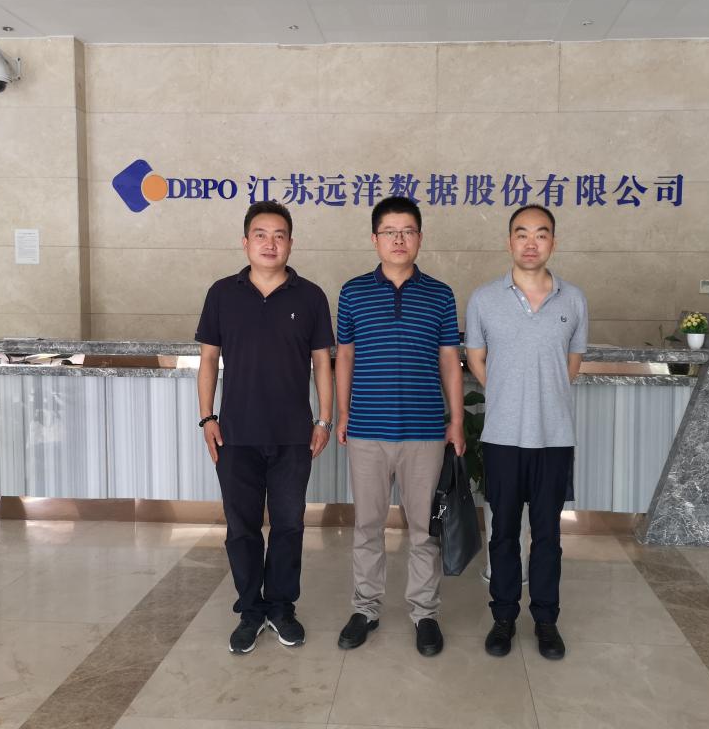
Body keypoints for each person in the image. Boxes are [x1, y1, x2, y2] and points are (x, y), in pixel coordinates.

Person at [195, 200, 334, 655]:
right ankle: (250, 610)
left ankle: (281, 607)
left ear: (291, 243)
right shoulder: (222, 293)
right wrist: (207, 417)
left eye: (279, 235)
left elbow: (322, 364)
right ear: (245, 242)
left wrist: (324, 418)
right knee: (242, 527)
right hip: (235, 435)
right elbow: (209, 360)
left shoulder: (310, 296)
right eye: (261, 234)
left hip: (294, 435)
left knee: (289, 525)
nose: (270, 243)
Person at [334, 196, 465, 656]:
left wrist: (456, 421)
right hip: (367, 430)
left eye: (407, 231)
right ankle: (365, 609)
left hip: (425, 432)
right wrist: (343, 413)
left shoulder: (441, 294)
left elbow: (449, 360)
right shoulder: (352, 292)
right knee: (367, 525)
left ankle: (424, 614)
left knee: (424, 530)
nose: (398, 239)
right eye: (389, 232)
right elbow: (344, 356)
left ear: (420, 238)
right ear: (375, 239)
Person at [464, 204, 588, 661]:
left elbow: (572, 364)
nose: (531, 243)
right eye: (522, 234)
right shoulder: (484, 299)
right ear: (509, 242)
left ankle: (546, 620)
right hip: (502, 437)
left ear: (553, 241)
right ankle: (503, 617)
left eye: (541, 234)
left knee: (548, 535)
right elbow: (476, 359)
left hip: (554, 438)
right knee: (502, 533)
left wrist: (543, 396)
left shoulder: (573, 300)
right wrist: (508, 393)